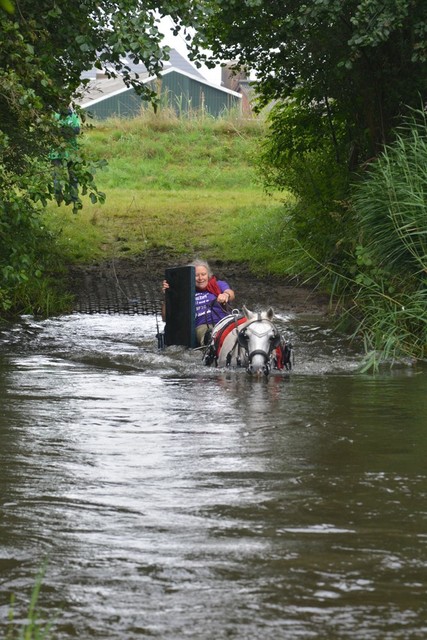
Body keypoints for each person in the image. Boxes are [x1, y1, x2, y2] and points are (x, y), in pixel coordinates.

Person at [162, 259, 235, 346]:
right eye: (196, 275)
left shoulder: (218, 284)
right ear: (191, 277)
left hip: (224, 321)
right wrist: (168, 296)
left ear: (208, 275)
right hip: (202, 326)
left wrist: (225, 295)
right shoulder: (184, 291)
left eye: (203, 274)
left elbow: (231, 293)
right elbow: (165, 318)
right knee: (208, 336)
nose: (200, 278)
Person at [50, 106, 81, 208]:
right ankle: (58, 200)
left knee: (73, 176)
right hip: (56, 152)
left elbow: (77, 130)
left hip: (71, 151)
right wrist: (67, 130)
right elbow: (52, 130)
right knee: (57, 177)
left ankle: (75, 200)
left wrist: (62, 130)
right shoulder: (55, 115)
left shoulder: (74, 116)